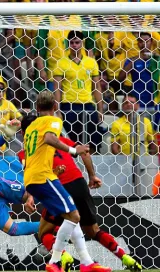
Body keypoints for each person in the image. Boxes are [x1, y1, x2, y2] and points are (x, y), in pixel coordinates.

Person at [18, 114, 142, 272]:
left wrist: (30, 197)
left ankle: (61, 257)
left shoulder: (25, 151)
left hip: (58, 187)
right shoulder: (61, 140)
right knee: (93, 230)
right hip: (79, 183)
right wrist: (92, 175)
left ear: (23, 133)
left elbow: (34, 174)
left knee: (44, 231)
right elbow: (84, 152)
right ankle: (124, 257)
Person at [22, 90, 110, 272]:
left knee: (71, 216)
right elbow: (49, 138)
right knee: (74, 217)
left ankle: (87, 263)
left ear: (37, 108)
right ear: (55, 107)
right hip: (44, 176)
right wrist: (73, 151)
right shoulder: (53, 121)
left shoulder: (31, 127)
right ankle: (55, 261)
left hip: (32, 178)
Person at [53, 30, 103, 154]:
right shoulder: (61, 63)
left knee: (93, 139)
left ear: (82, 43)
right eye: (72, 42)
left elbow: (96, 87)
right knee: (72, 140)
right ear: (68, 44)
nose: (74, 45)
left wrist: (100, 109)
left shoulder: (91, 62)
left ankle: (90, 163)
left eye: (77, 42)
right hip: (69, 104)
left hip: (87, 103)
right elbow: (57, 88)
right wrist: (58, 110)